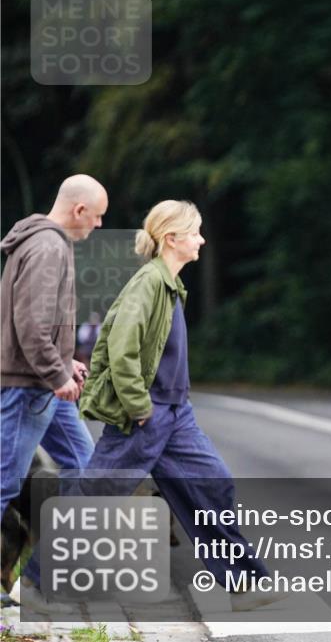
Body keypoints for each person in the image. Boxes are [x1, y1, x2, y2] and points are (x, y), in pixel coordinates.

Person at [51, 199, 278, 612]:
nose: (202, 239)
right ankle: (39, 583)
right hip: (147, 414)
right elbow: (121, 351)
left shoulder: (171, 284)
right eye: (195, 232)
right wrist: (139, 408)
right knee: (96, 498)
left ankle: (243, 584)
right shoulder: (149, 283)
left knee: (214, 483)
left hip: (176, 414)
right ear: (172, 239)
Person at [1, 174, 108, 519]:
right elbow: (32, 324)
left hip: (42, 384)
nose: (99, 224)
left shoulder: (49, 243)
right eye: (97, 215)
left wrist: (65, 363)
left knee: (83, 465)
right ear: (79, 210)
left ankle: (51, 564)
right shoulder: (47, 246)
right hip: (28, 385)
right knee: (4, 482)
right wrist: (56, 373)